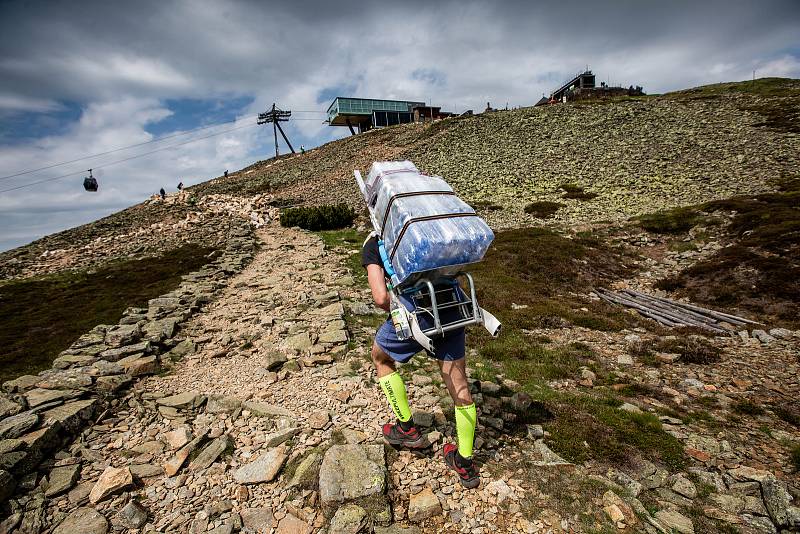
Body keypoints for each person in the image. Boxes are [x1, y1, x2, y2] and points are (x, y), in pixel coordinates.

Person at [362, 235, 480, 489]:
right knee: (459, 386)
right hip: (451, 307)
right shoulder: (431, 229)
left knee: (380, 357)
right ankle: (465, 462)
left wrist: (404, 310)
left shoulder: (375, 243)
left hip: (415, 313)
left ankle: (406, 429)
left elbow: (381, 298)